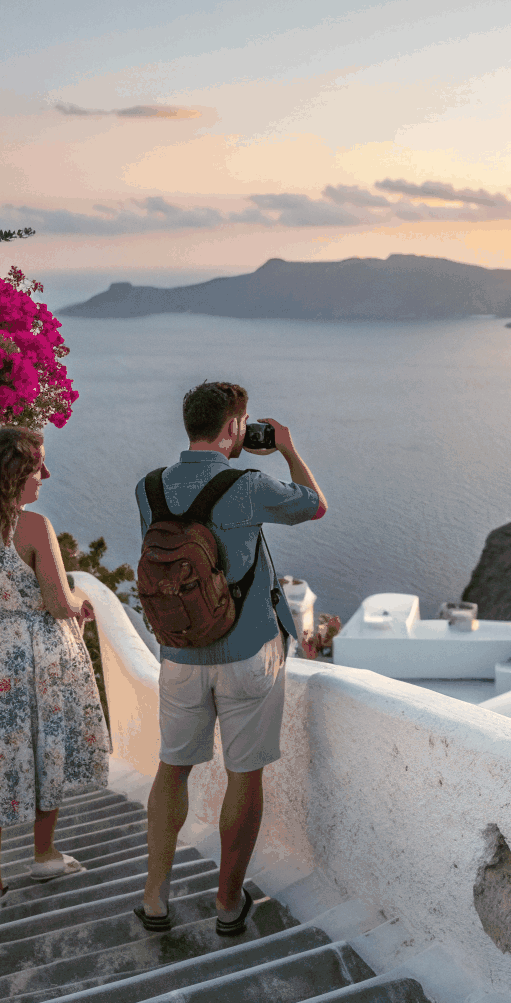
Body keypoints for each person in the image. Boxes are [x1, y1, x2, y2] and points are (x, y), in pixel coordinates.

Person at [134, 381, 325, 936]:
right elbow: (315, 505)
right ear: (234, 428)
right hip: (248, 653)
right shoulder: (247, 484)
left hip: (180, 654)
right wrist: (287, 448)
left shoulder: (148, 488)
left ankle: (154, 899)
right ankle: (226, 903)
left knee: (173, 768)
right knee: (244, 774)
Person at [0, 427, 112, 901]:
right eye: (37, 466)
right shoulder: (32, 527)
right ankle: (44, 856)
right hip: (37, 655)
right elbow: (56, 603)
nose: (46, 474)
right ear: (11, 475)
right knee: (43, 747)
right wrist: (81, 599)